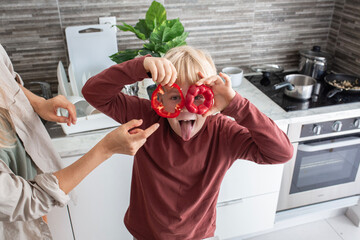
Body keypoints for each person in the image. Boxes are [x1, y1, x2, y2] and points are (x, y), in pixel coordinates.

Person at [82, 45, 294, 240]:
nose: (185, 108)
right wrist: (141, 66)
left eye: (198, 96)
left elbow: (281, 153)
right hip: (146, 233)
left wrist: (237, 105)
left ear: (212, 97)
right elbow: (93, 93)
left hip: (198, 235)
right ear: (159, 98)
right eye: (175, 97)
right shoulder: (146, 117)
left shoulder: (223, 132)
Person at [0, 43, 160, 240]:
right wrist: (139, 66)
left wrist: (38, 103)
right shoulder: (148, 113)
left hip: (32, 186)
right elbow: (24, 200)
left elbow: (7, 78)